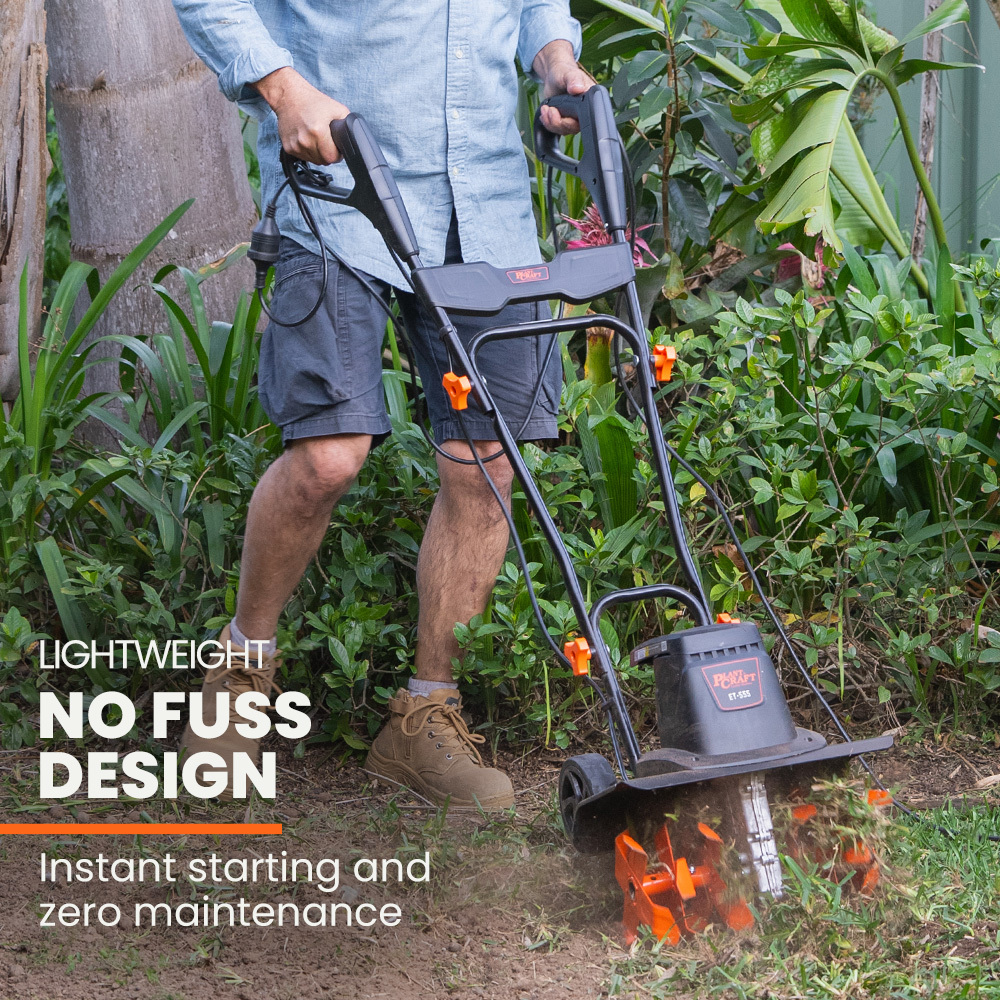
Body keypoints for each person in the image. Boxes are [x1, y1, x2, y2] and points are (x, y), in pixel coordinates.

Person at [170, 1, 590, 810]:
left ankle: (424, 721)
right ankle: (240, 673)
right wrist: (283, 87)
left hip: (485, 197)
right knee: (328, 457)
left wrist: (556, 60)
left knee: (487, 463)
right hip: (335, 189)